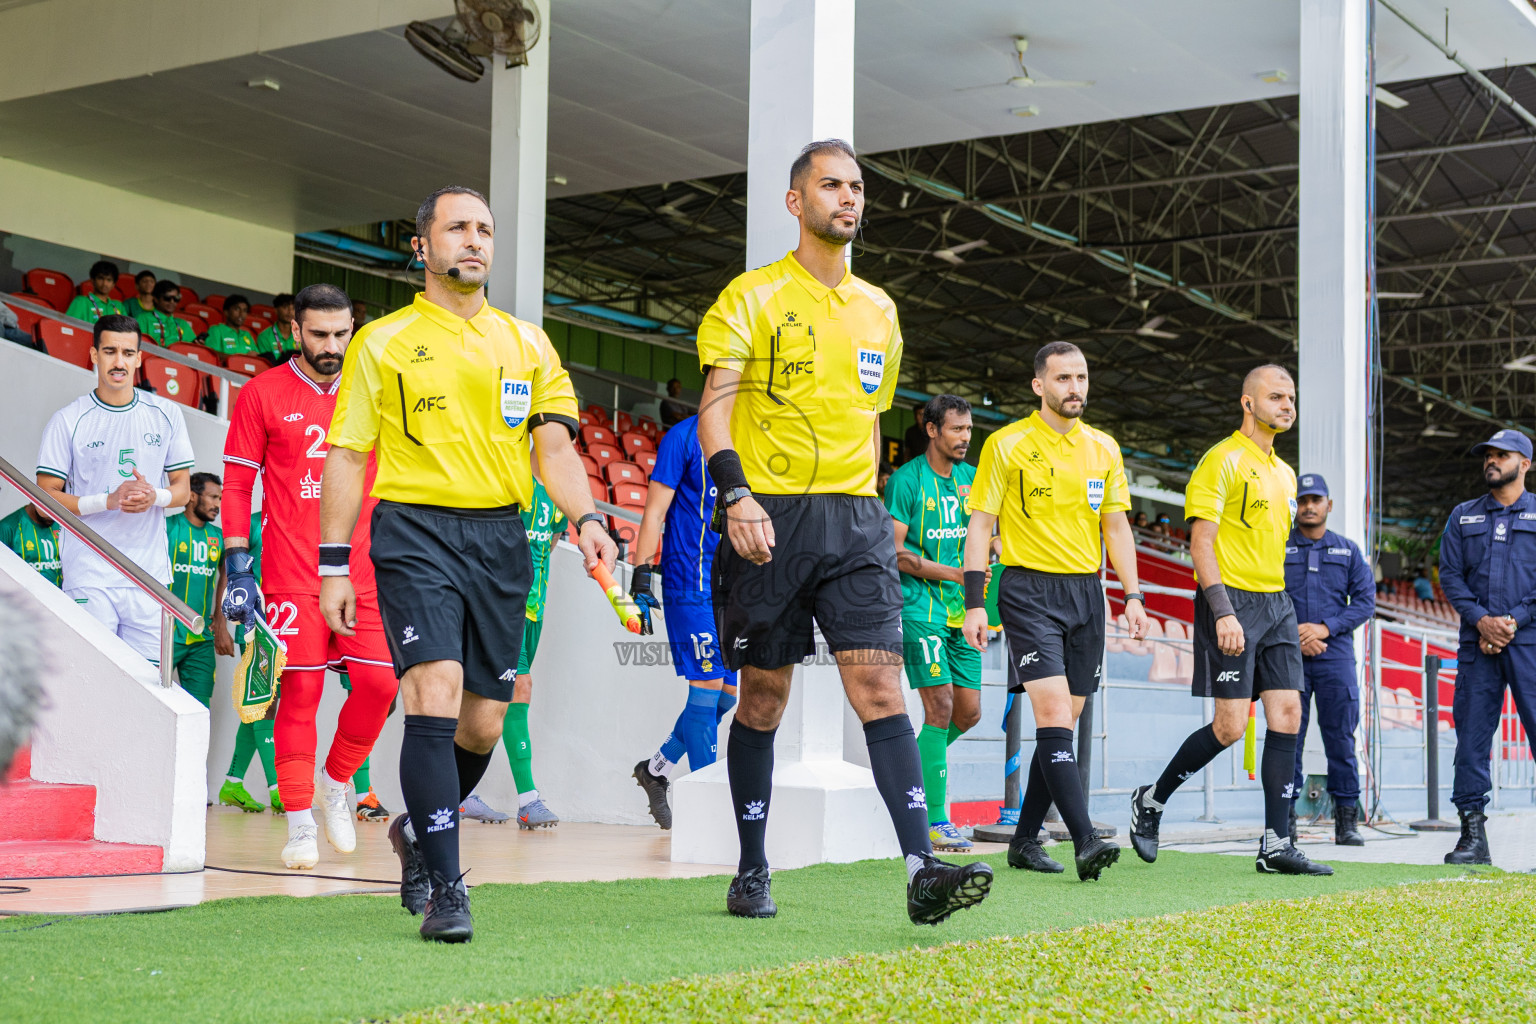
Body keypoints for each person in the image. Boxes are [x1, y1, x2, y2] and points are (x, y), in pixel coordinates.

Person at [697, 139, 992, 925]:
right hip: (771, 518)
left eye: (857, 187)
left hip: (855, 524)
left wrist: (865, 504)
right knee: (763, 698)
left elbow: (869, 424)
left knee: (879, 688)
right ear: (796, 203)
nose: (848, 198)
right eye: (831, 186)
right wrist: (737, 496)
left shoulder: (880, 311)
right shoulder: (750, 297)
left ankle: (921, 865)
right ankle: (752, 866)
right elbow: (714, 407)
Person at [320, 185, 616, 943]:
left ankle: (419, 834)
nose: (474, 240)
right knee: (436, 692)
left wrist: (586, 519)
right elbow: (350, 456)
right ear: (423, 246)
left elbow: (554, 450)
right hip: (414, 530)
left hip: (501, 538)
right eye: (457, 228)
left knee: (484, 721)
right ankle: (449, 889)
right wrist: (332, 566)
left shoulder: (527, 343)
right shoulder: (381, 341)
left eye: (484, 229)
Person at [219, 283, 400, 871]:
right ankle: (299, 823)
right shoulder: (261, 393)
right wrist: (237, 562)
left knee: (380, 687)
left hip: (365, 572)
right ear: (294, 331)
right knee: (300, 695)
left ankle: (338, 780)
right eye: (319, 335)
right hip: (291, 573)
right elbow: (239, 485)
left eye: (341, 334)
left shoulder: (373, 390)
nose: (331, 346)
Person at [1128, 364, 1331, 876]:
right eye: (1276, 396)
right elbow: (1201, 542)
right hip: (1231, 602)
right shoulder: (1221, 460)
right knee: (1229, 727)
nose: (1287, 405)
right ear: (1248, 403)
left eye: (1292, 397)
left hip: (1277, 603)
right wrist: (1222, 611)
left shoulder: (1285, 474)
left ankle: (1275, 842)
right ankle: (1151, 801)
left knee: (1288, 716)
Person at [962, 343, 1148, 880]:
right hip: (1026, 591)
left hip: (1087, 596)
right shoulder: (1007, 444)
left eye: (1082, 377)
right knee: (1051, 715)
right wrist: (976, 602)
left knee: (1065, 720)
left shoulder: (1104, 448)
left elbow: (1117, 528)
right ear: (1039, 385)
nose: (1076, 388)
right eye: (1064, 378)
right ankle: (1085, 837)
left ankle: (1023, 840)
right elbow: (981, 526)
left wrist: (1133, 595)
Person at [35, 314, 194, 662]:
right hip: (89, 572)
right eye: (109, 351)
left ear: (140, 358)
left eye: (127, 352)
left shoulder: (166, 413)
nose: (118, 362)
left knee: (151, 689)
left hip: (148, 574)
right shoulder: (69, 419)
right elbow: (45, 496)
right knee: (93, 680)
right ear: (94, 355)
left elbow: (183, 490)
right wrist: (106, 501)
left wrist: (156, 497)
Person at [629, 413, 738, 828]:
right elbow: (655, 511)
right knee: (708, 684)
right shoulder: (684, 436)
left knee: (727, 696)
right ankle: (705, 809)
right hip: (687, 580)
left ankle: (656, 769)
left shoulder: (747, 434)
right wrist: (641, 574)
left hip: (730, 586)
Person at [885, 394, 982, 851]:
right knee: (939, 708)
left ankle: (914, 774)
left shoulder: (972, 479)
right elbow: (896, 554)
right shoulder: (906, 481)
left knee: (969, 713)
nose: (965, 438)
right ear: (932, 430)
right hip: (920, 610)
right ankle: (935, 819)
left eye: (968, 429)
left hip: (964, 614)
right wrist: (954, 573)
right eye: (956, 429)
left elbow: (985, 535)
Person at [1437, 428, 1536, 865]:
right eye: (1487, 455)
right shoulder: (1463, 516)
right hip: (1478, 645)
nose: (1491, 461)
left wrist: (1513, 621)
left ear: (1525, 464)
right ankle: (1472, 839)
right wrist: (1483, 621)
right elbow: (1451, 577)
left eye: (1501, 455)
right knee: (1471, 740)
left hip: (1529, 641)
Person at [461, 471, 567, 829]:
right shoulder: (507, 478)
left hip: (534, 608)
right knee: (519, 687)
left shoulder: (556, 493)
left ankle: (458, 793)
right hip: (502, 607)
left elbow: (550, 543)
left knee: (480, 703)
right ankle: (528, 800)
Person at [1283, 473, 1375, 846]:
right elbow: (1267, 594)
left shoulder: (1348, 551)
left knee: (1340, 740)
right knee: (1287, 738)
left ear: (1328, 505)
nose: (1309, 506)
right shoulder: (1278, 547)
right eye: (1303, 500)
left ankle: (1347, 822)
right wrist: (1297, 634)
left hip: (1335, 656)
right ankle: (1283, 822)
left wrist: (1324, 628)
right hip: (1288, 655)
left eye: (1315, 500)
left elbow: (1366, 603)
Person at [219, 508, 284, 814]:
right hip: (256, 626)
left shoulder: (296, 518)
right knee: (265, 702)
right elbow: (229, 572)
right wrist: (221, 622)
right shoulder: (253, 524)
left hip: (287, 620)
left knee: (257, 705)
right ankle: (277, 789)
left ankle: (233, 782)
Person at [166, 472, 233, 710]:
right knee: (146, 700)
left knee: (198, 711)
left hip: (201, 639)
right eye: (213, 497)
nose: (217, 505)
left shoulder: (217, 537)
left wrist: (221, 623)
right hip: (164, 634)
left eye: (220, 499)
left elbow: (226, 574)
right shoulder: (168, 528)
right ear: (192, 496)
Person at [0, 503, 62, 587]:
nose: (53, 515)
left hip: (62, 598)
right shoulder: (8, 527)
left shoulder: (62, 526)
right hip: (24, 598)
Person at [136, 280, 196, 346]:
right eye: (167, 298)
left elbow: (190, 349)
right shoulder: (143, 319)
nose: (172, 302)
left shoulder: (182, 324)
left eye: (176, 298)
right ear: (156, 299)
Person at [204, 294, 259, 358]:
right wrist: (242, 359)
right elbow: (211, 354)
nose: (241, 314)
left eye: (245, 310)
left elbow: (257, 357)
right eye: (237, 309)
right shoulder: (216, 330)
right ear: (226, 312)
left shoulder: (247, 335)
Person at [257, 293, 300, 362]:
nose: (290, 312)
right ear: (276, 310)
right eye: (285, 307)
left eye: (293, 308)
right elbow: (265, 364)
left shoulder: (302, 336)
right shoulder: (264, 336)